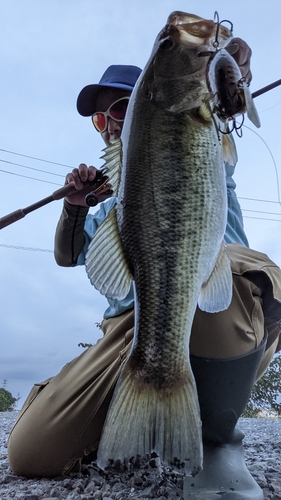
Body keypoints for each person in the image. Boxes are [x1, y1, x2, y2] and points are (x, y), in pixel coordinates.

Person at [7, 63, 281, 499]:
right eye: (99, 119)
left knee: (224, 269)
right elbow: (66, 256)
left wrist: (228, 80)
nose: (108, 125)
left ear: (145, 106)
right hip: (133, 333)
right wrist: (76, 206)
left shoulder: (201, 141)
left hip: (218, 309)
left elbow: (220, 107)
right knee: (30, 453)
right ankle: (141, 421)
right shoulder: (108, 210)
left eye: (118, 108)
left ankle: (215, 444)